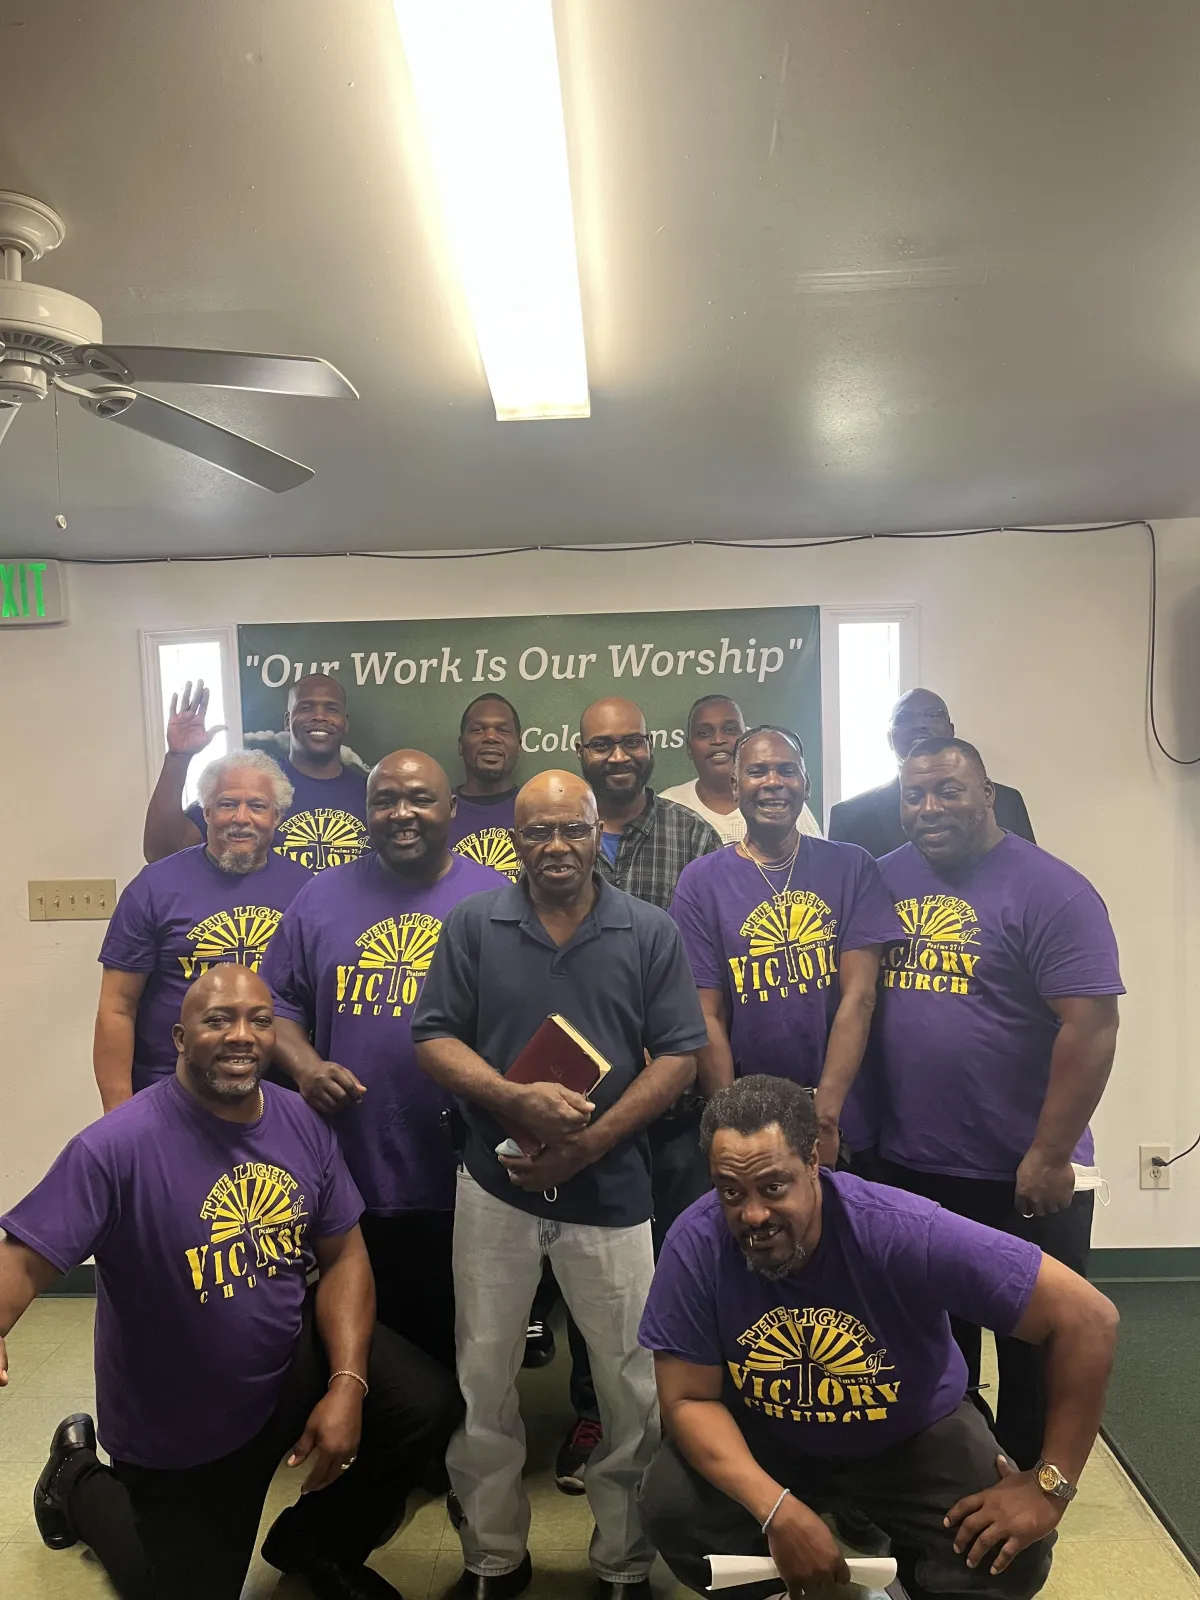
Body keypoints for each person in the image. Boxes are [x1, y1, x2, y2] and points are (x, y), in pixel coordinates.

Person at [0, 965, 462, 1600]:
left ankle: (315, 1544)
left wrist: (347, 1385)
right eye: (218, 1020)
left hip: (286, 1364)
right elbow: (24, 1259)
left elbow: (345, 1257)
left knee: (424, 1404)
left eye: (259, 1020)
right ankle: (74, 1477)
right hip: (180, 1421)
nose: (241, 1035)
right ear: (180, 1038)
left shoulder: (300, 1121)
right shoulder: (116, 1146)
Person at [637, 1076, 1119, 1600]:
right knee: (672, 1508)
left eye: (773, 1187)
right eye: (731, 1191)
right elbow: (688, 1399)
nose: (752, 1214)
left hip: (910, 1434)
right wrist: (775, 1510)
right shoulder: (697, 1243)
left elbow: (1088, 1319)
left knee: (1011, 1555)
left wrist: (1050, 1489)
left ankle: (914, 1581)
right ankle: (787, 1586)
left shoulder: (900, 1229)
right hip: (770, 1435)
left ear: (813, 1163)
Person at [411, 770, 709, 1600]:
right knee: (483, 1379)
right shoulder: (474, 924)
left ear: (597, 836)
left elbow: (679, 1057)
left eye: (572, 829)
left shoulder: (649, 930)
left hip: (612, 1196)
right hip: (494, 1190)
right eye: (537, 831)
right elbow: (433, 1038)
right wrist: (511, 1099)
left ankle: (623, 1564)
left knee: (632, 1389)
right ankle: (493, 1560)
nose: (556, 846)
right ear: (514, 840)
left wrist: (588, 1146)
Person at [872, 736, 1123, 1469]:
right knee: (933, 1351)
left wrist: (1050, 1153)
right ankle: (951, 1485)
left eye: (949, 790)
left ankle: (1032, 1496)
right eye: (914, 795)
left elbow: (1092, 1026)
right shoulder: (882, 880)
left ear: (987, 795)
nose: (930, 807)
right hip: (913, 1170)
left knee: (1034, 1352)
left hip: (1022, 1174)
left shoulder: (1053, 890)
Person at [262, 750, 507, 1370]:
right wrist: (305, 1067)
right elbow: (276, 1004)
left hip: (468, 1163)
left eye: (420, 798)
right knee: (367, 1340)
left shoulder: (497, 897)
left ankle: (460, 1428)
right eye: (385, 800)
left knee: (470, 1339)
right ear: (366, 810)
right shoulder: (321, 896)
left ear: (451, 807)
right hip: (354, 1162)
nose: (402, 813)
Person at [552, 694, 721, 1489]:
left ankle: (688, 1424)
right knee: (592, 1280)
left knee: (683, 1266)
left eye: (630, 742)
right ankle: (596, 1415)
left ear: (651, 747)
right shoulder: (556, 841)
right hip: (584, 1110)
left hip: (676, 1106)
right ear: (579, 751)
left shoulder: (694, 837)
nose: (617, 757)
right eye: (601, 745)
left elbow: (715, 964)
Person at [670, 727, 901, 1166]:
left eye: (787, 771)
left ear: (806, 785)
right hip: (750, 1121)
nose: (773, 782)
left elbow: (860, 997)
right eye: (757, 771)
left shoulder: (852, 866)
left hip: (846, 1117)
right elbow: (707, 1015)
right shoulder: (700, 883)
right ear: (736, 786)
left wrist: (826, 1117)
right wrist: (732, 1125)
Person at [94, 749, 311, 1112]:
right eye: (227, 804)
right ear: (206, 812)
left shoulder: (306, 890)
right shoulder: (154, 887)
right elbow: (117, 1007)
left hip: (273, 1098)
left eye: (257, 806)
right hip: (168, 1095)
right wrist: (118, 1114)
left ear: (277, 817)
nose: (241, 818)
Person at [143, 674, 370, 872]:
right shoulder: (253, 783)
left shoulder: (372, 793)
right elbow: (162, 852)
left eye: (331, 709)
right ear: (287, 721)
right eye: (306, 708)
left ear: (345, 722)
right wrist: (178, 757)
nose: (319, 716)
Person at [828, 689, 1035, 859]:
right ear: (890, 738)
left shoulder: (1007, 801)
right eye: (905, 718)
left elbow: (1028, 871)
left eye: (932, 715)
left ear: (951, 730)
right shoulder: (850, 818)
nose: (919, 725)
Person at [661, 695, 822, 843]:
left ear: (746, 740)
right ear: (689, 747)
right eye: (704, 733)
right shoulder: (667, 807)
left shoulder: (781, 802)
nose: (718, 740)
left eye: (730, 729)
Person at [449, 694, 523, 881]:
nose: (491, 737)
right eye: (478, 730)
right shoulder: (439, 812)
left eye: (503, 730)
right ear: (461, 745)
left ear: (519, 746)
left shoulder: (535, 809)